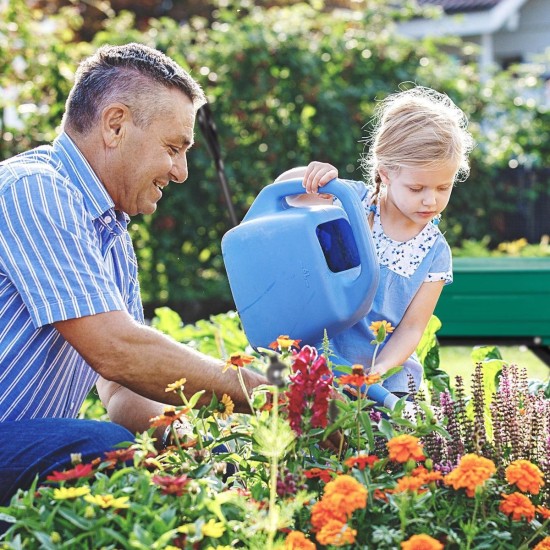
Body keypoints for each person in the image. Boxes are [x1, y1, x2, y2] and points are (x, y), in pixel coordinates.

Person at [0, 43, 267, 505]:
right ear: (115, 124)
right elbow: (117, 351)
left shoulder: (112, 236)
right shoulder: (35, 191)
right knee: (101, 450)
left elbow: (124, 389)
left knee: (132, 456)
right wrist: (262, 392)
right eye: (173, 148)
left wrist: (196, 452)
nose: (181, 172)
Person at [277, 86, 475, 408]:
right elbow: (285, 195)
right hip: (320, 366)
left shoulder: (435, 253)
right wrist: (311, 175)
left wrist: (379, 370)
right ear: (385, 172)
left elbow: (412, 328)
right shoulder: (349, 201)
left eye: (443, 187)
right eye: (416, 187)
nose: (431, 199)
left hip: (385, 383)